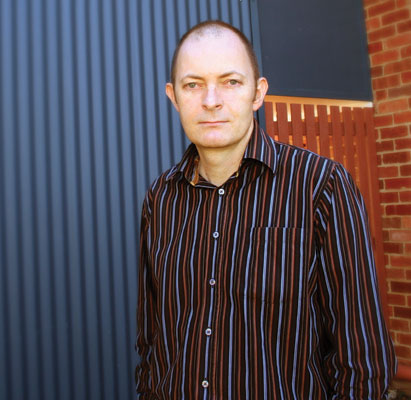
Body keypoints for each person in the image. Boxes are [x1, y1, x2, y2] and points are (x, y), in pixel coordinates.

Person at [135, 20, 396, 399]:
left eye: (231, 82)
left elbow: (362, 361)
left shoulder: (320, 186)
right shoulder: (160, 199)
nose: (211, 100)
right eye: (193, 85)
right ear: (173, 96)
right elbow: (152, 339)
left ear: (258, 94)